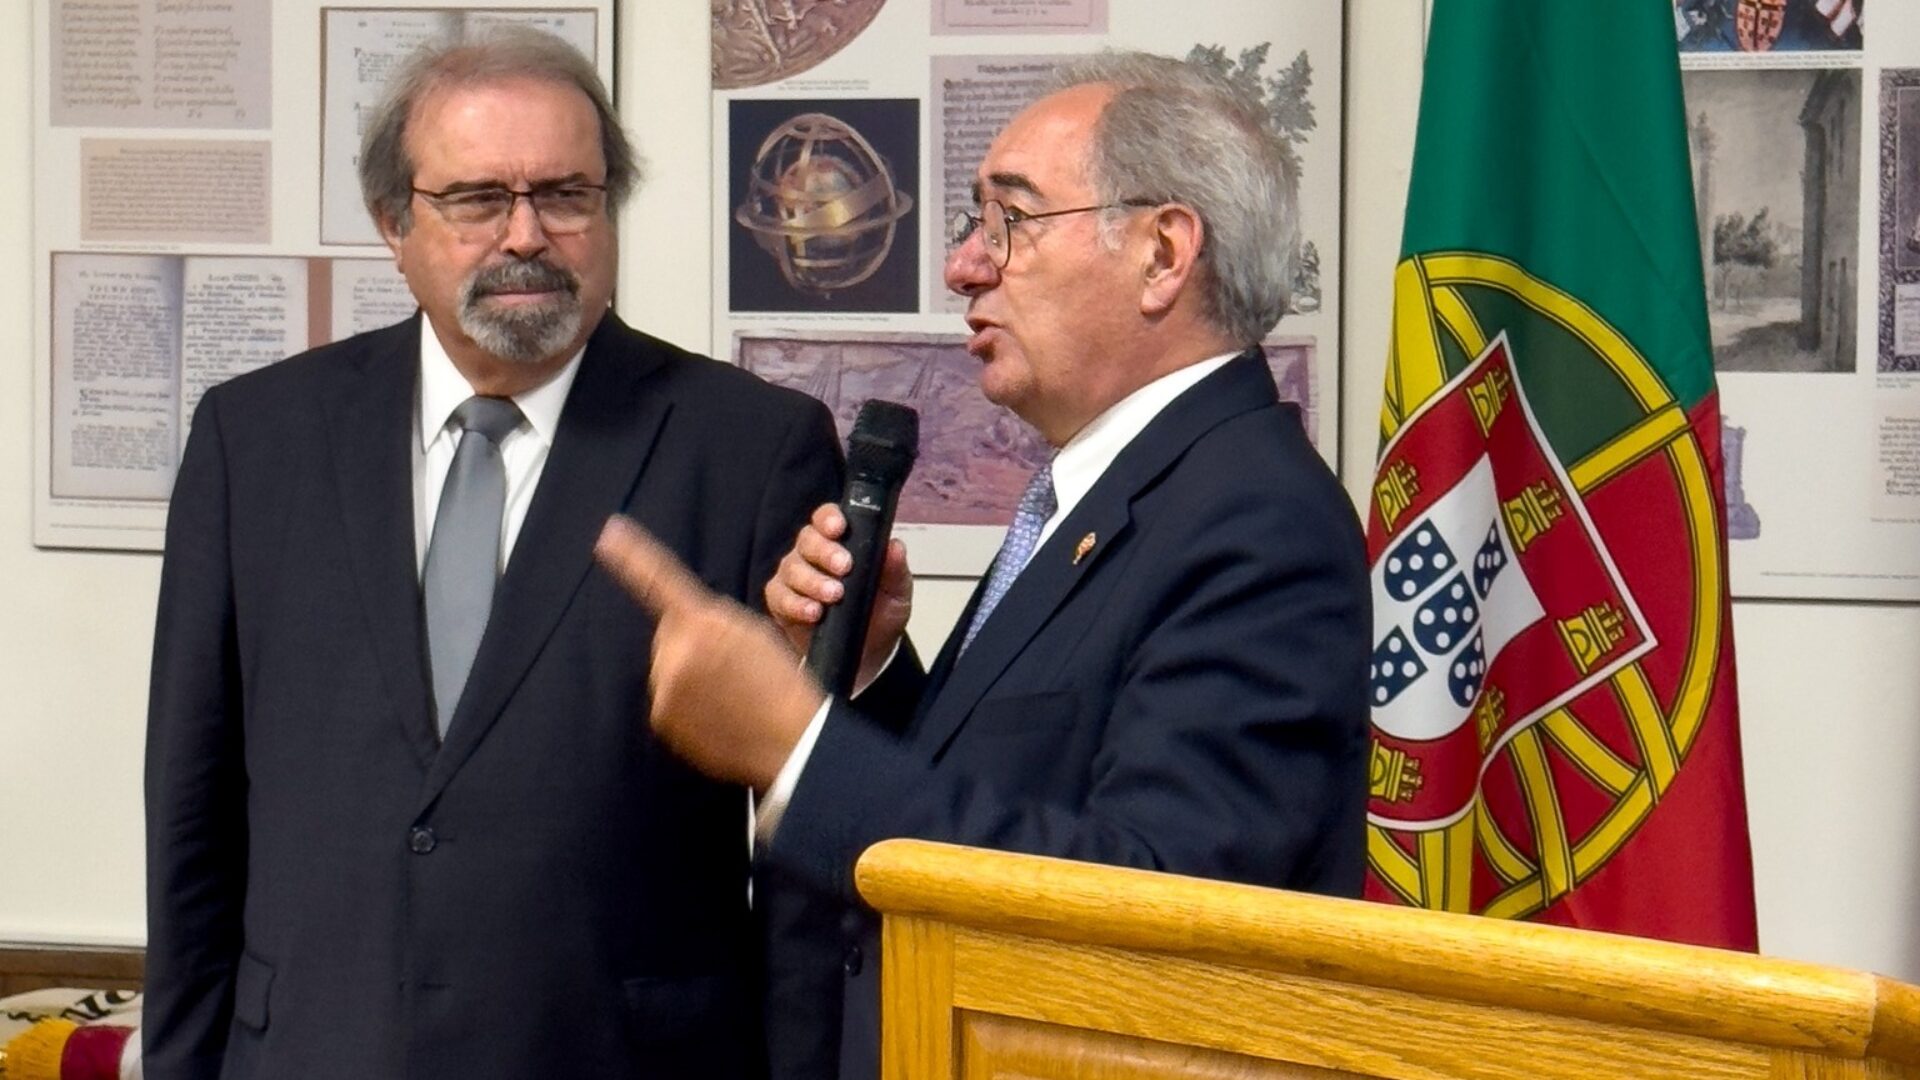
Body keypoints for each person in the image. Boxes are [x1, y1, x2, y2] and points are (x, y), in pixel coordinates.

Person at [594, 51, 1371, 1080]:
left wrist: (794, 751)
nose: (964, 265)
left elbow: (1155, 913)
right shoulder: (1115, 489)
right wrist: (868, 680)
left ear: (1162, 251)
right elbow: (1018, 796)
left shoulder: (1255, 520)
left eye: (1010, 221)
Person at [142, 26, 839, 1080]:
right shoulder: (257, 441)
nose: (527, 236)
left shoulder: (749, 447)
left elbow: (808, 846)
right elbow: (192, 812)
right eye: (476, 200)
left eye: (566, 194)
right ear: (395, 223)